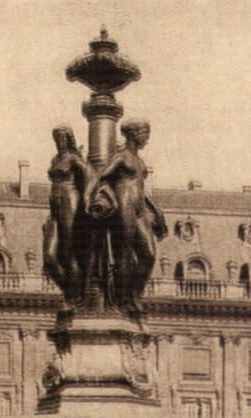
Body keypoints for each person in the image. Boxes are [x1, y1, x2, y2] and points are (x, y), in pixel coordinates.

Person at [82, 119, 166, 310]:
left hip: (140, 208)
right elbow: (100, 176)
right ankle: (124, 298)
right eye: (145, 134)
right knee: (124, 254)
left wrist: (155, 209)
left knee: (149, 254)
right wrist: (88, 197)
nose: (147, 139)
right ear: (133, 134)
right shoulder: (122, 157)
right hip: (124, 204)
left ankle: (133, 293)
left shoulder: (139, 161)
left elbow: (141, 188)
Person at [44, 125, 93, 305]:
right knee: (50, 256)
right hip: (55, 205)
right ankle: (72, 289)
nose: (59, 141)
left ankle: (75, 296)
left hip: (69, 200)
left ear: (69, 139)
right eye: (56, 138)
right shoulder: (56, 159)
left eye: (62, 138)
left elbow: (89, 174)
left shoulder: (73, 158)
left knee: (69, 249)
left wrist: (87, 198)